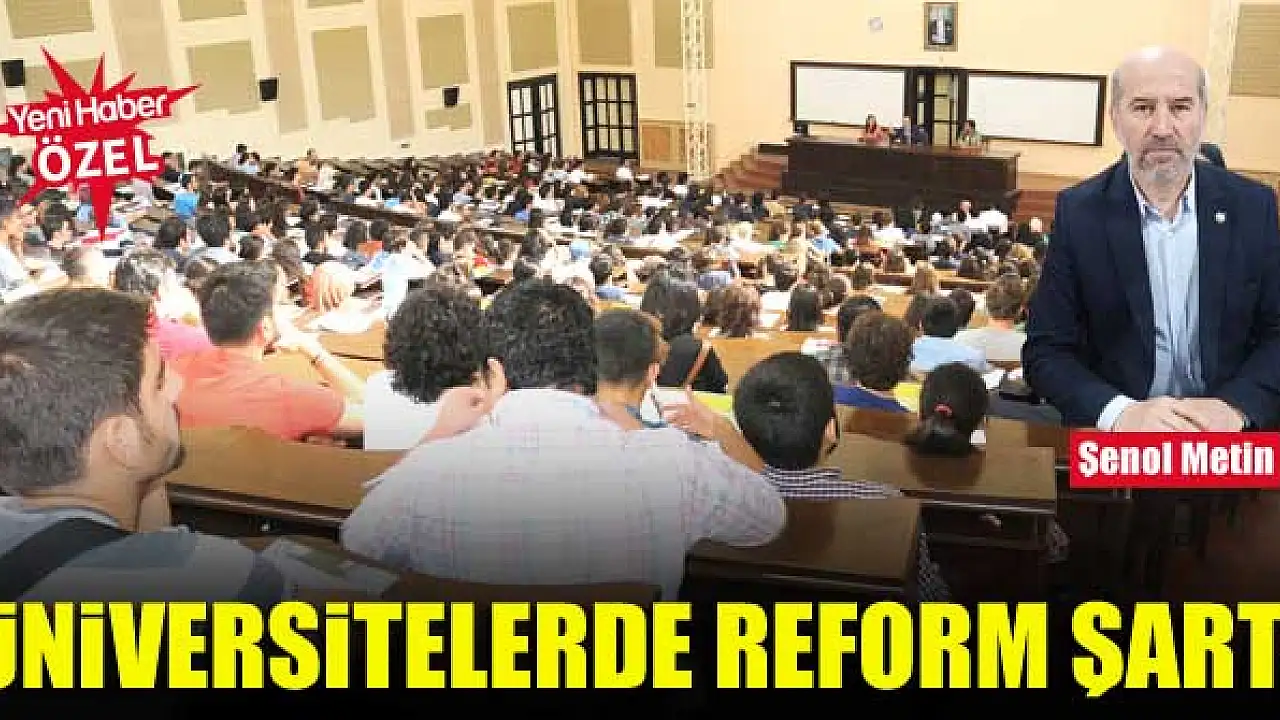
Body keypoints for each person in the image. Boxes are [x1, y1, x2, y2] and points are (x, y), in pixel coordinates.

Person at [1024, 46, 1280, 431]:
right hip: (1124, 437)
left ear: (1202, 114)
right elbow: (1046, 351)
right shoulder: (1079, 213)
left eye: (1180, 107)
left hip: (1229, 434)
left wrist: (1236, 407)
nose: (1162, 128)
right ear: (1115, 119)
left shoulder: (1253, 206)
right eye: (1143, 108)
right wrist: (1120, 413)